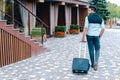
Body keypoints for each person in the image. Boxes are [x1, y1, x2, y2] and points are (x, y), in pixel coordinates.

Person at [81, 5, 105, 71]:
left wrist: (83, 37)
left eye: (89, 10)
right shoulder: (100, 18)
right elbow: (103, 28)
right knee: (97, 49)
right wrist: (100, 36)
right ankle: (96, 62)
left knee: (91, 50)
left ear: (92, 10)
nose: (88, 11)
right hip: (96, 36)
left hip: (89, 36)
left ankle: (92, 64)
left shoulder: (87, 17)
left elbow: (86, 28)